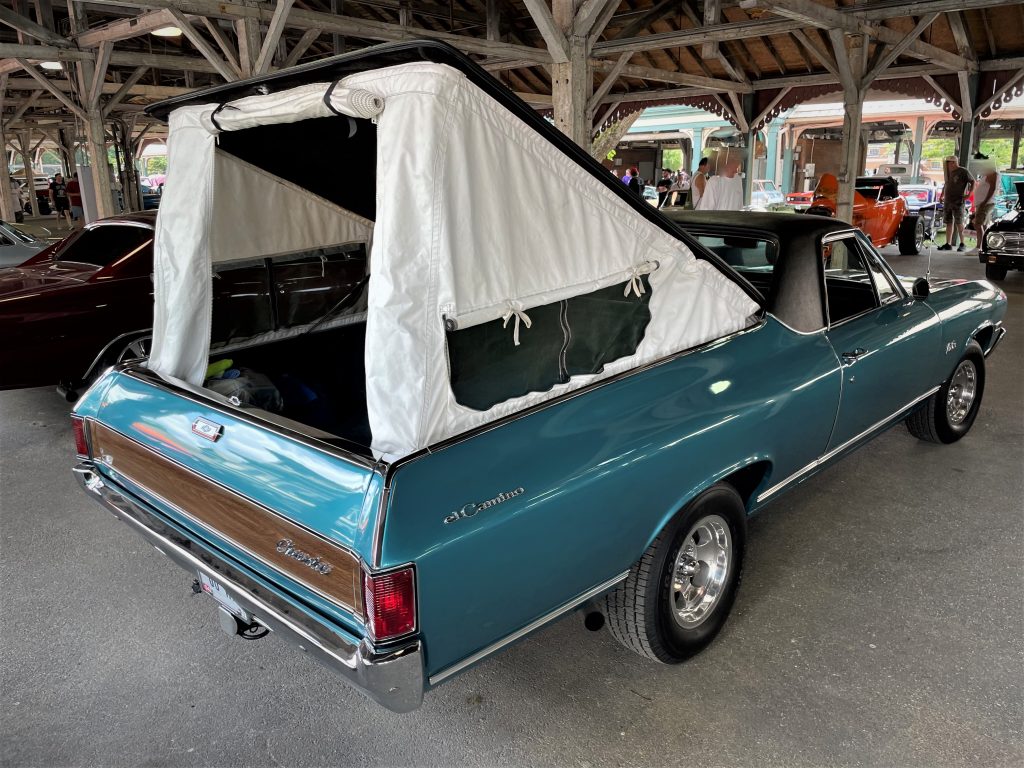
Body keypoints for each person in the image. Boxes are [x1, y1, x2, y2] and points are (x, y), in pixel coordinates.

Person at [939, 155, 973, 251]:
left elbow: (973, 181)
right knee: (948, 222)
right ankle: (948, 243)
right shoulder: (948, 172)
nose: (947, 165)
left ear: (953, 162)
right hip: (948, 200)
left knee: (959, 222)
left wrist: (969, 194)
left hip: (958, 200)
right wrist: (942, 194)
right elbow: (946, 184)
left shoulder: (963, 171)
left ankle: (962, 243)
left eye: (948, 163)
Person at [971, 155, 999, 248]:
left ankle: (979, 247)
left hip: (985, 203)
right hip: (982, 203)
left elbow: (992, 188)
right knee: (982, 225)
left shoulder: (993, 174)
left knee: (978, 224)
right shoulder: (987, 174)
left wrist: (984, 202)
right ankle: (983, 246)